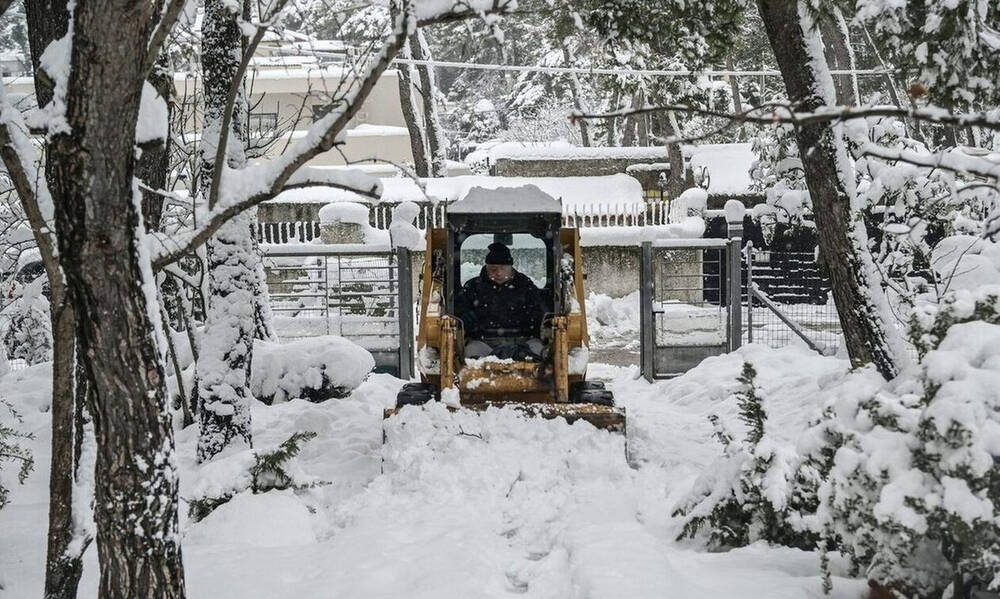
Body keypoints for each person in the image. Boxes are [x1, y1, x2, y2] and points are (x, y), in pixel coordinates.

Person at [455, 242, 546, 359]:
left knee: (541, 354)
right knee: (469, 356)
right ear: (486, 267)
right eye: (493, 269)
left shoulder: (525, 285)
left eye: (502, 268)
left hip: (523, 342)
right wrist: (469, 321)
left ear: (511, 267)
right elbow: (460, 313)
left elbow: (540, 311)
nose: (498, 273)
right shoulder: (473, 287)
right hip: (483, 342)